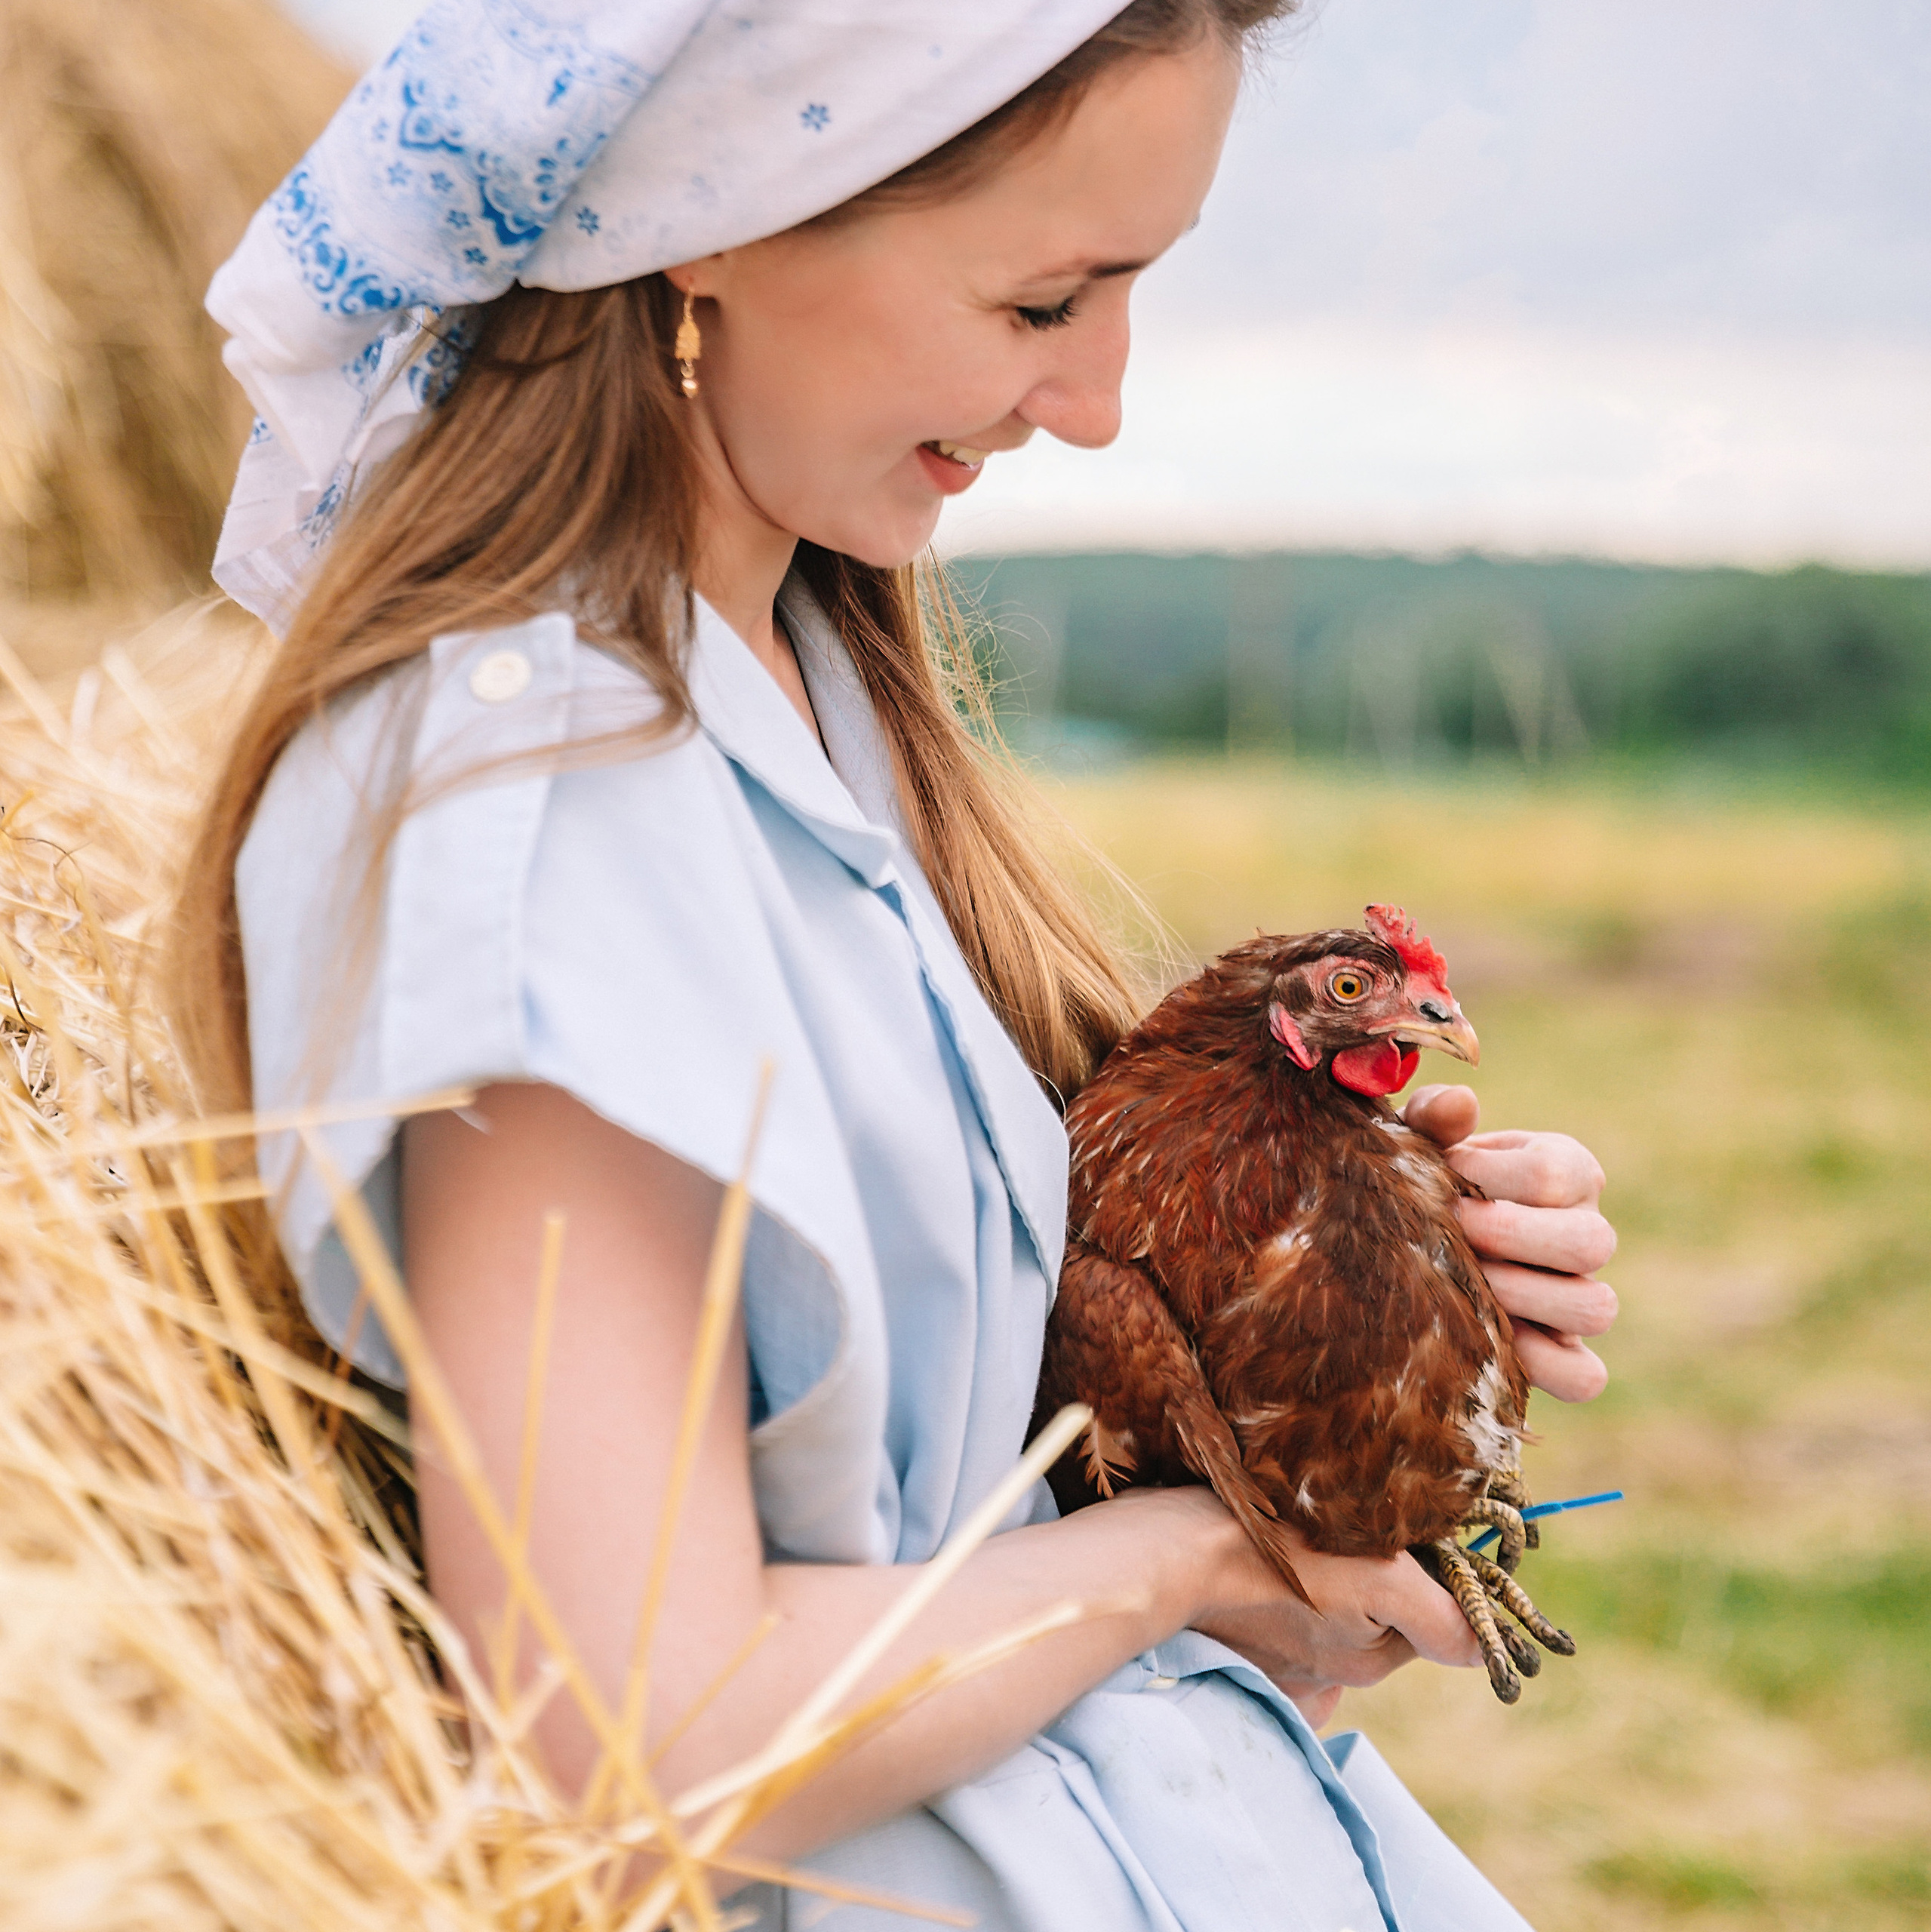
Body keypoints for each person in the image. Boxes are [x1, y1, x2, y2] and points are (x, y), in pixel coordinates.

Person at [178, 2, 1619, 1926]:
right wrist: (1196, 1561)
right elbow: (631, 1739)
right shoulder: (535, 824)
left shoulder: (809, 687)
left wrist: (1332, 1296)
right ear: (714, 216)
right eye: (1042, 302)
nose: (1096, 401)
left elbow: (935, 1484)